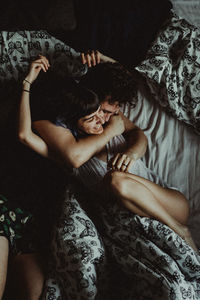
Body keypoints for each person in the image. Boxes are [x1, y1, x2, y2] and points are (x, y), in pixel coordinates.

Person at [17, 55, 199, 299]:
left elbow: (138, 131)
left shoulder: (110, 116)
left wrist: (132, 151)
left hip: (169, 202)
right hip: (126, 215)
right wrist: (26, 84)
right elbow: (29, 137)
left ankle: (180, 230)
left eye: (108, 114)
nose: (104, 119)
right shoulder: (74, 140)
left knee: (118, 181)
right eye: (98, 113)